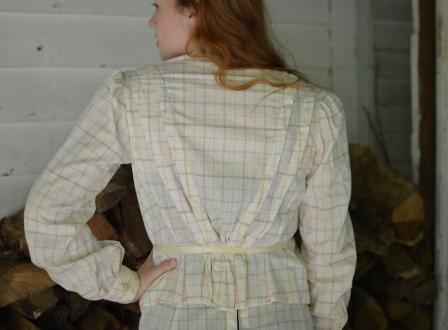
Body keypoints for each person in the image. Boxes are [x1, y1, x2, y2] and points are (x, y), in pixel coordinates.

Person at [23, 0, 357, 329]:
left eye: (157, 6)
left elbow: (48, 214)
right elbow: (330, 248)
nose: (152, 22)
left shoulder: (132, 96)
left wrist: (122, 285)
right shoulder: (316, 108)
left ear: (194, 9)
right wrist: (326, 323)